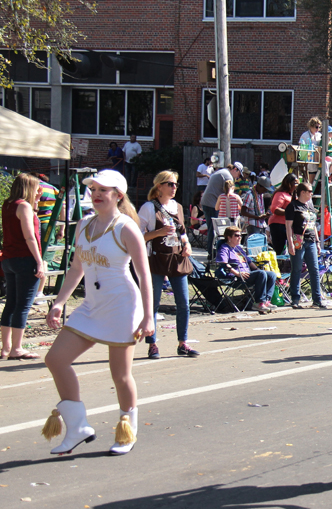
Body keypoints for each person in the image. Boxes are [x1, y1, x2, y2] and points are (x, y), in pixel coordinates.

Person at [41, 170, 153, 456]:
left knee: (120, 375)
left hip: (122, 306)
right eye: (94, 189)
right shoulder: (83, 225)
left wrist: (148, 316)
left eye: (105, 190)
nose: (97, 194)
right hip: (91, 306)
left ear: (118, 195)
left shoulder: (125, 227)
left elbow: (143, 274)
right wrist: (58, 302)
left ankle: (127, 429)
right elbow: (77, 268)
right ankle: (77, 427)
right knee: (55, 359)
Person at [138, 171, 199, 358]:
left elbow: (182, 232)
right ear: (159, 186)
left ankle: (183, 343)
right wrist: (159, 232)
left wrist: (187, 244)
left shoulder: (178, 207)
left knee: (183, 303)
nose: (174, 188)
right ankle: (152, 344)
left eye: (176, 184)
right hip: (156, 258)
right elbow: (138, 237)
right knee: (153, 303)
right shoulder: (148, 208)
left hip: (177, 259)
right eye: (170, 184)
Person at [1, 173, 45, 360]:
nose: (38, 192)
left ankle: (6, 347)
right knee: (23, 305)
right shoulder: (24, 206)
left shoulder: (8, 204)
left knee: (10, 303)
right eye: (36, 189)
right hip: (24, 258)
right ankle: (17, 348)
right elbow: (29, 236)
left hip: (9, 258)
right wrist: (38, 260)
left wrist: (34, 203)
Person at [216, 226, 276, 313]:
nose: (240, 237)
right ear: (229, 237)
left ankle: (266, 301)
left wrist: (257, 269)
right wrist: (236, 273)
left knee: (271, 274)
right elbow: (223, 263)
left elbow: (249, 262)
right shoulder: (224, 248)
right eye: (237, 235)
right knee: (261, 274)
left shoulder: (238, 248)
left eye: (241, 235)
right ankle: (258, 303)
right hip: (236, 277)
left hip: (247, 274)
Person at [286, 182, 326, 309]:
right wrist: (291, 243)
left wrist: (318, 242)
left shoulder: (309, 206)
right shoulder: (292, 206)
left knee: (314, 269)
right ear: (302, 192)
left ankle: (317, 299)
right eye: (309, 191)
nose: (311, 194)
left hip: (311, 240)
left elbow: (313, 224)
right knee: (296, 269)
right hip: (299, 240)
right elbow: (288, 226)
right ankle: (295, 299)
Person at [200, 162, 243, 256]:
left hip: (207, 202)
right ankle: (214, 254)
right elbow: (229, 196)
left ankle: (212, 253)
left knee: (212, 228)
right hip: (212, 203)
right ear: (235, 169)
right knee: (216, 229)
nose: (237, 177)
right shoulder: (228, 176)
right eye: (238, 174)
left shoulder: (222, 171)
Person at [268, 173, 297, 255]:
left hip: (289, 225)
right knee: (280, 250)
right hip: (278, 225)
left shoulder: (292, 195)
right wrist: (290, 212)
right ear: (289, 183)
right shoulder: (280, 194)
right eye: (295, 183)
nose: (296, 185)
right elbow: (275, 209)